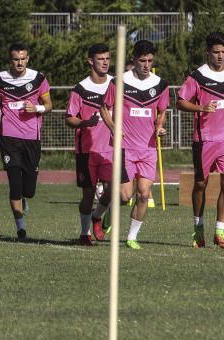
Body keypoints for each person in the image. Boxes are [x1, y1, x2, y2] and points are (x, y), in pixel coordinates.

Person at [176, 32, 224, 249]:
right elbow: (180, 102)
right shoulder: (197, 77)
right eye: (216, 52)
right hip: (205, 138)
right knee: (200, 184)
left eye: (223, 52)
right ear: (208, 52)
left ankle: (220, 232)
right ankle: (198, 228)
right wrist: (200, 107)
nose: (220, 56)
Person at [100, 40, 169, 250]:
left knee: (144, 194)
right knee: (124, 195)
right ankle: (107, 214)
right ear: (134, 60)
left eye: (150, 60)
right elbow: (104, 108)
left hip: (148, 148)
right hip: (125, 147)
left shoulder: (160, 84)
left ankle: (131, 237)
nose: (146, 65)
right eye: (142, 61)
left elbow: (162, 111)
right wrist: (114, 128)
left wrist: (159, 127)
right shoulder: (119, 82)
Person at [0, 42, 51, 241]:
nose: (19, 63)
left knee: (28, 191)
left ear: (28, 59)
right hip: (9, 138)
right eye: (15, 59)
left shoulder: (38, 79)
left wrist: (36, 109)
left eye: (23, 59)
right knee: (14, 184)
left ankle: (24, 197)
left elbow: (48, 105)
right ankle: (21, 229)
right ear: (10, 60)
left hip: (32, 139)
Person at [64, 43, 116, 246]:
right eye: (100, 59)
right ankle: (84, 233)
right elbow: (69, 118)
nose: (105, 62)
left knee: (118, 193)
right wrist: (85, 123)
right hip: (87, 150)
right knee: (88, 193)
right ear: (90, 61)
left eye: (108, 58)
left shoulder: (115, 83)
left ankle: (98, 215)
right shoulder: (81, 88)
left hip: (111, 148)